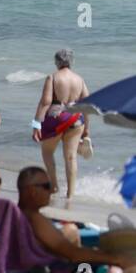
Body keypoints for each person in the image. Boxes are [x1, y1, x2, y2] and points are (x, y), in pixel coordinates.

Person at [33, 48, 90, 200]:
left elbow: (45, 102)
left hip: (55, 118)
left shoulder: (53, 77)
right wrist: (87, 131)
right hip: (76, 119)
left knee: (47, 152)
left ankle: (54, 185)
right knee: (71, 157)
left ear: (56, 62)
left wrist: (36, 124)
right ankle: (70, 194)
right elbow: (87, 105)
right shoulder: (80, 79)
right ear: (72, 62)